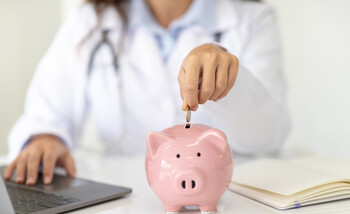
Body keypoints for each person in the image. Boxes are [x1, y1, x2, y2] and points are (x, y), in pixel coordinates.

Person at [4, 0, 291, 186]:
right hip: (124, 208)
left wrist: (229, 81)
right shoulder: (91, 20)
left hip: (229, 203)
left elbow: (267, 134)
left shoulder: (252, 18)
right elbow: (47, 112)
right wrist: (46, 139)